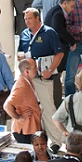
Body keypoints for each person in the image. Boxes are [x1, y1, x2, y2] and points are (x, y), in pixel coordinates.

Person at [19, 8, 65, 146]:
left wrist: (50, 70)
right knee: (35, 109)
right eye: (25, 19)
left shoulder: (49, 32)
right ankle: (39, 138)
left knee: (49, 108)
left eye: (29, 18)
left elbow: (60, 53)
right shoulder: (24, 34)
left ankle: (56, 141)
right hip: (30, 79)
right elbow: (20, 53)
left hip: (45, 78)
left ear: (37, 18)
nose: (27, 21)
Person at [4, 59, 42, 143]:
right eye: (34, 67)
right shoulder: (21, 87)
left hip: (31, 128)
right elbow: (7, 106)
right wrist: (19, 117)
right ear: (27, 71)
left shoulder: (27, 82)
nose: (37, 69)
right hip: (25, 131)